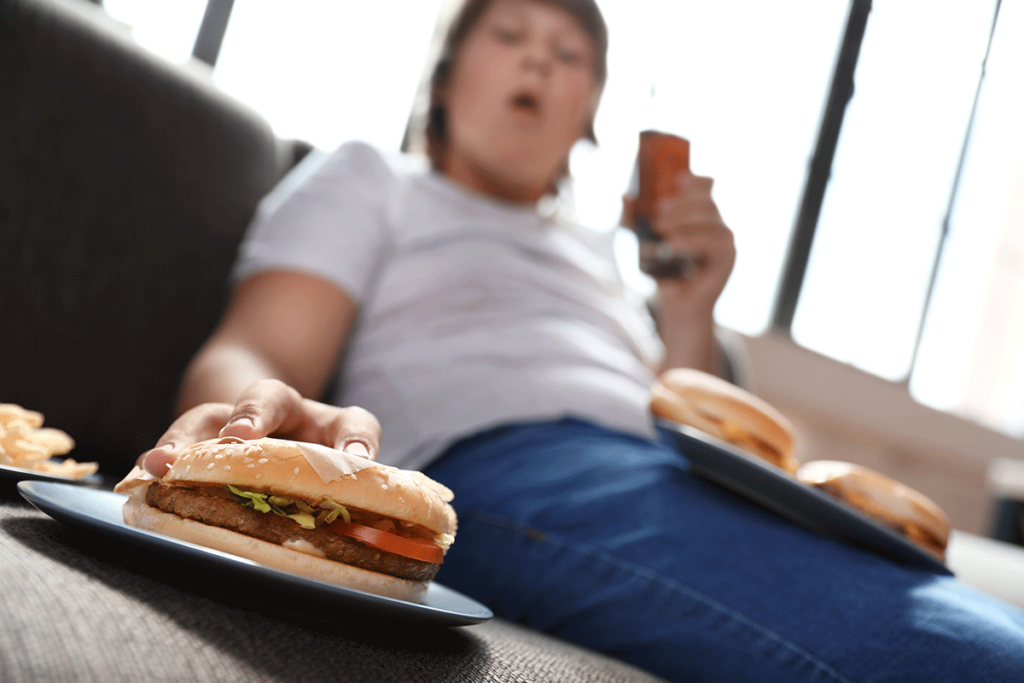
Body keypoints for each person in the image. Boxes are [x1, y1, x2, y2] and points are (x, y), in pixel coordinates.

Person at [138, 0, 1024, 680]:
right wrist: (239, 422)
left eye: (569, 55)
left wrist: (689, 307)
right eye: (510, 34)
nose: (538, 58)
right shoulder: (376, 180)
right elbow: (257, 352)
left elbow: (691, 426)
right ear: (447, 78)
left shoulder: (600, 253)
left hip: (665, 474)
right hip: (509, 471)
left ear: (585, 113)